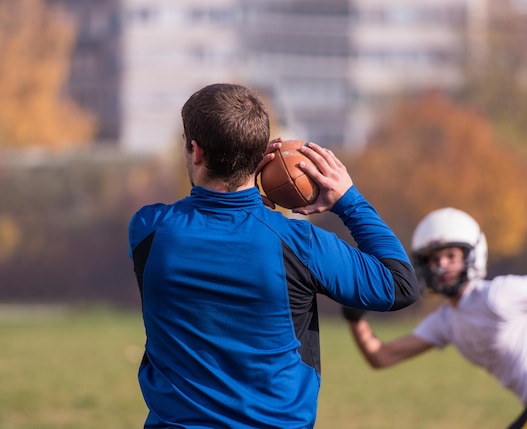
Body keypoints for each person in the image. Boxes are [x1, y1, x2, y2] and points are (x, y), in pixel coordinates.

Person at [127, 83, 420, 429]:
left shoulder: (147, 229)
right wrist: (349, 200)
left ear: (195, 151)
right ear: (258, 153)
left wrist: (247, 190)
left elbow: (209, 219)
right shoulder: (298, 244)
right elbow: (400, 285)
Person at [342, 207, 527, 429]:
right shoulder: (445, 321)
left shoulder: (497, 295)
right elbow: (382, 357)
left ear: (472, 255)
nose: (442, 265)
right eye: (433, 259)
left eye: (451, 255)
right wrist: (356, 319)